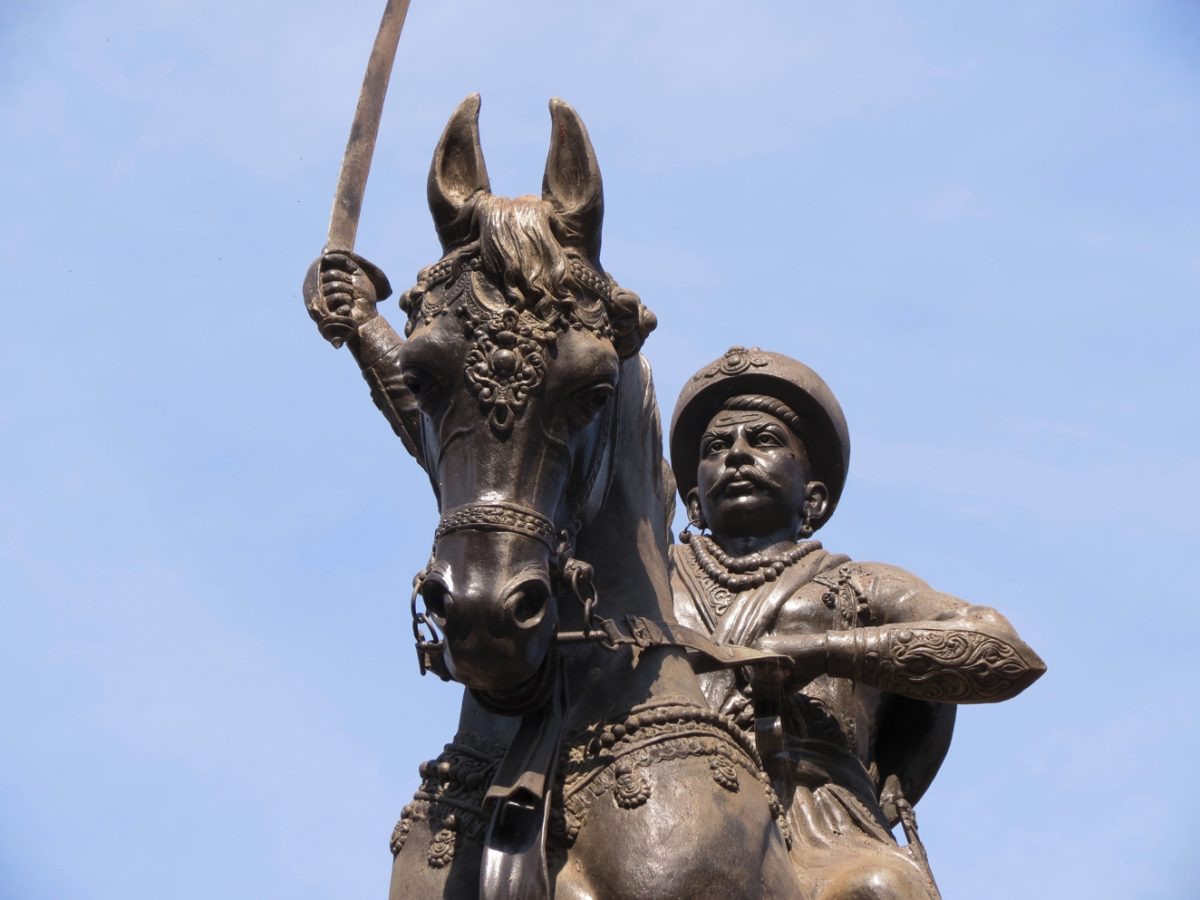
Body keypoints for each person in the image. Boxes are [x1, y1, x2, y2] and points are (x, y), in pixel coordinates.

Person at [668, 347, 1045, 899]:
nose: (738, 455)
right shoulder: (650, 579)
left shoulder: (860, 586)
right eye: (717, 446)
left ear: (813, 497)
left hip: (815, 821)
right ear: (694, 501)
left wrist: (825, 652)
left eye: (764, 440)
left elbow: (1004, 654)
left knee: (879, 887)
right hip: (657, 797)